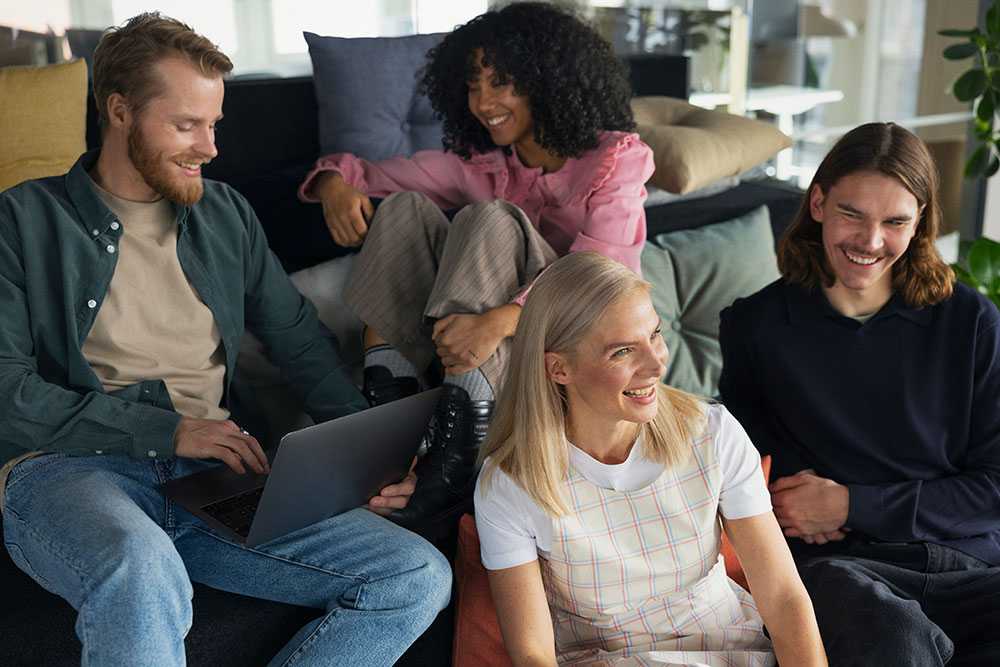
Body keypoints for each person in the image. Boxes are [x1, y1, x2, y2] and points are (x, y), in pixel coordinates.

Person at [0, 14, 450, 666]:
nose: (210, 147)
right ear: (120, 111)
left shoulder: (225, 213)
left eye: (214, 124)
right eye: (187, 125)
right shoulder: (22, 219)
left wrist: (368, 456)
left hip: (213, 480)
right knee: (139, 565)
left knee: (415, 575)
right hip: (69, 469)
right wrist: (169, 430)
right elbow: (8, 390)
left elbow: (299, 343)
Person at [298, 2, 654, 525]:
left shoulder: (616, 159)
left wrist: (499, 321)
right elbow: (375, 175)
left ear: (546, 81)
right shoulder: (486, 167)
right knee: (403, 209)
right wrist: (332, 182)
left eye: (501, 82)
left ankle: (456, 454)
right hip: (488, 356)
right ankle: (391, 413)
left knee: (490, 218)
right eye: (472, 85)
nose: (483, 101)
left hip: (580, 343)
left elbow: (600, 276)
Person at [719, 122, 1000, 666]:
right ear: (819, 202)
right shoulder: (756, 327)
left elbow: (994, 489)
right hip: (845, 573)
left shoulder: (972, 323)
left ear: (919, 221)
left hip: (969, 567)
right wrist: (790, 507)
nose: (870, 243)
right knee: (887, 629)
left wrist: (853, 502)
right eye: (853, 214)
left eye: (894, 221)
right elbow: (747, 482)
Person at [474, 252, 827, 666]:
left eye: (655, 335)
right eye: (622, 351)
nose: (657, 363)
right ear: (558, 369)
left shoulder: (713, 432)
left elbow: (783, 597)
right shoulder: (510, 484)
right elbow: (533, 654)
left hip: (729, 652)